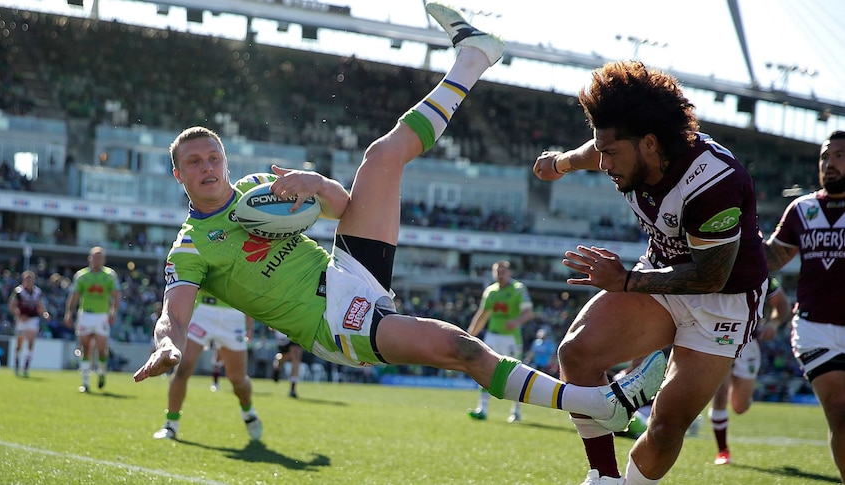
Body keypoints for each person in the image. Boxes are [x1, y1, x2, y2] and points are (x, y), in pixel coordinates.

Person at [133, 3, 666, 440]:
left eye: (213, 157)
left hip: (347, 273)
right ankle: (599, 405)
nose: (208, 167)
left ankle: (473, 57)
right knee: (462, 349)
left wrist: (316, 185)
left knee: (382, 156)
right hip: (333, 324)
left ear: (225, 161)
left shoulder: (256, 188)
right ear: (178, 174)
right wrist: (166, 342)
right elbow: (172, 312)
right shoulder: (190, 247)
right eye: (195, 163)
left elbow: (343, 207)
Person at [532, 60, 768, 484]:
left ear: (650, 144)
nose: (604, 164)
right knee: (577, 354)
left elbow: (709, 276)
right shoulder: (626, 149)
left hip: (722, 301)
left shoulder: (713, 181)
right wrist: (560, 163)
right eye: (600, 150)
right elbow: (593, 150)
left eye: (611, 153)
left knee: (664, 428)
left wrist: (624, 281)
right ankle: (604, 477)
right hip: (662, 276)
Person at [764, 130, 845, 483]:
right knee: (841, 415)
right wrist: (739, 240)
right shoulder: (802, 209)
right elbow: (772, 259)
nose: (830, 163)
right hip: (815, 329)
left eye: (840, 155)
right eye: (825, 157)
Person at [154, 289, 259, 440]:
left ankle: (248, 412)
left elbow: (246, 285)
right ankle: (171, 424)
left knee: (238, 379)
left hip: (234, 314)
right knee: (183, 369)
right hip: (203, 311)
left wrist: (250, 321)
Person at [709, 275, 791, 465]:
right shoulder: (715, 265)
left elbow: (782, 305)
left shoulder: (761, 274)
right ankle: (722, 451)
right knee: (720, 392)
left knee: (740, 406)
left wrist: (773, 323)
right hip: (718, 338)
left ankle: (741, 390)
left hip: (749, 341)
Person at [466, 260, 534, 423]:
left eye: (503, 272)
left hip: (511, 337)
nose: (500, 275)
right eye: (497, 271)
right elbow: (483, 315)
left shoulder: (518, 289)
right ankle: (482, 409)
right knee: (483, 370)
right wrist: (469, 335)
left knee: (515, 373)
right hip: (492, 336)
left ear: (509, 273)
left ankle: (516, 411)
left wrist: (516, 322)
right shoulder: (491, 291)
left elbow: (528, 312)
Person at [64, 246, 122, 393]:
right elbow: (74, 296)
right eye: (94, 257)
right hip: (85, 315)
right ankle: (85, 382)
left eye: (100, 257)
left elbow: (116, 295)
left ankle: (102, 372)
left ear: (103, 259)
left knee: (102, 350)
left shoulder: (109, 275)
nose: (97, 260)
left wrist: (113, 312)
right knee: (85, 348)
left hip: (101, 316)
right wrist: (69, 313)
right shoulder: (82, 276)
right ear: (90, 258)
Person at [8, 270, 51, 377]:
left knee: (31, 341)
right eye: (26, 279)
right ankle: (17, 364)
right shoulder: (19, 292)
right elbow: (12, 306)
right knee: (19, 344)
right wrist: (19, 315)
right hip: (22, 320)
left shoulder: (37, 292)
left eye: (30, 279)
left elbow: (39, 305)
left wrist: (45, 313)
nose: (28, 282)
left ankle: (26, 367)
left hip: (33, 319)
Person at [271, 329, 303, 398]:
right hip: (285, 330)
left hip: (296, 329)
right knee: (286, 356)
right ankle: (277, 363)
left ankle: (293, 388)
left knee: (296, 359)